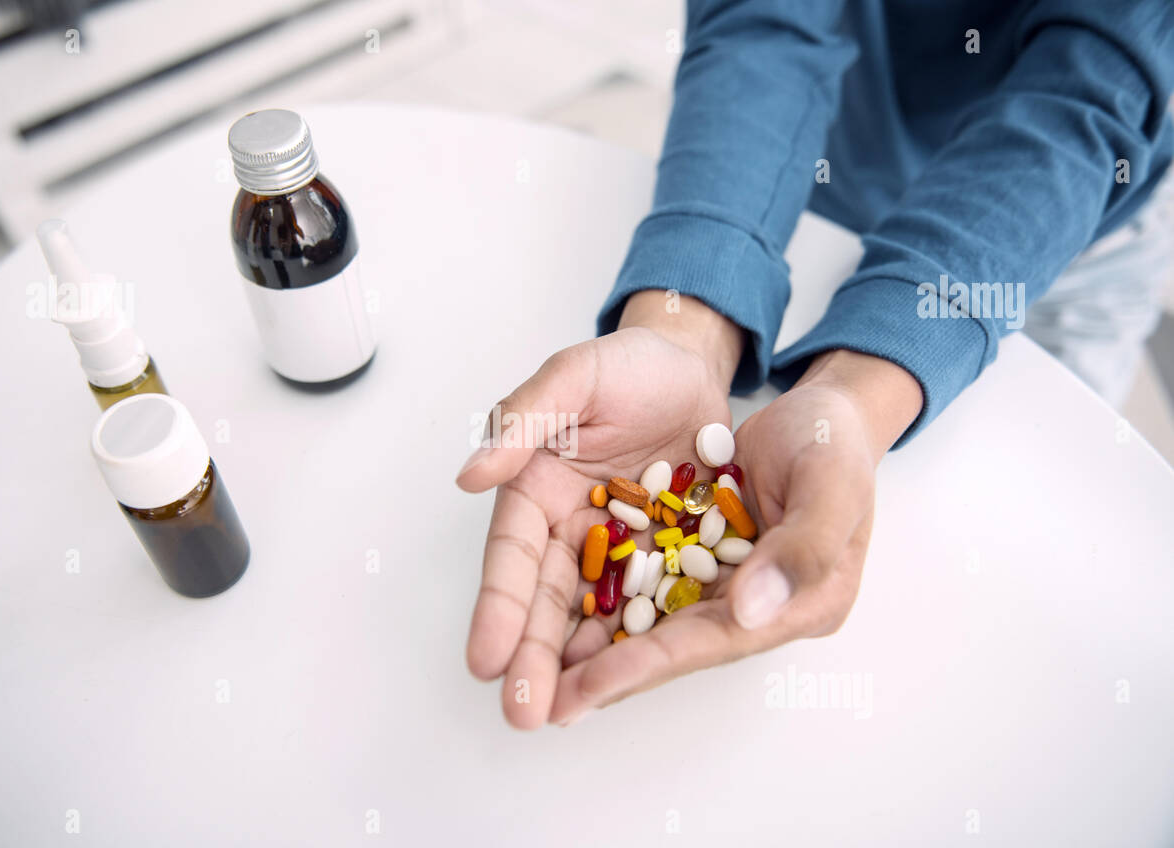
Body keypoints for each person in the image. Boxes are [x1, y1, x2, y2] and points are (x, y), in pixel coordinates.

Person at [455, 0, 1174, 728]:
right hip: (832, 150)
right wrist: (685, 321)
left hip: (1077, 226)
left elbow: (1086, 96)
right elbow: (763, 22)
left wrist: (863, 394)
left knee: (1040, 512)